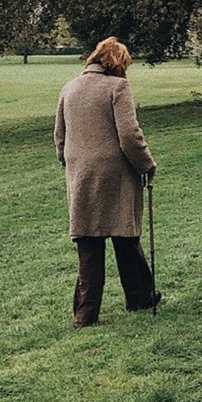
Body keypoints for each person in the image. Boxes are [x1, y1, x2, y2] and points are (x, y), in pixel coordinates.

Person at [55, 37, 159, 326]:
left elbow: (59, 137)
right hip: (115, 173)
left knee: (88, 241)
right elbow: (129, 135)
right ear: (117, 63)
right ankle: (139, 296)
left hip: (80, 174)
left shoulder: (70, 87)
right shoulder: (118, 87)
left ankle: (85, 314)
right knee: (125, 235)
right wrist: (146, 164)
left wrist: (71, 163)